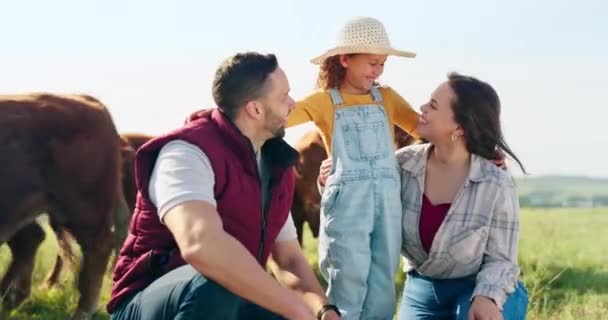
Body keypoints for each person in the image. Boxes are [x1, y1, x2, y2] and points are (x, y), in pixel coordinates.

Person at [107, 52, 340, 320]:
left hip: (229, 302)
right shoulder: (187, 153)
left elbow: (288, 261)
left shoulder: (276, 164)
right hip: (151, 305)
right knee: (215, 281)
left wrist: (323, 311)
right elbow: (200, 245)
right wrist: (296, 309)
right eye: (284, 96)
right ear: (255, 109)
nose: (292, 103)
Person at [318, 73, 529, 320]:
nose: (422, 108)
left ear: (459, 127)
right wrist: (337, 178)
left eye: (433, 105)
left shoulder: (496, 183)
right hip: (422, 289)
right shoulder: (400, 165)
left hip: (479, 287)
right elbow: (361, 204)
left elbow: (502, 260)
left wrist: (487, 296)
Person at [287, 16, 420, 319]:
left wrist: (477, 146)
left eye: (383, 64)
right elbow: (278, 118)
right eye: (372, 63)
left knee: (383, 277)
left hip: (387, 199)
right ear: (344, 59)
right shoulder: (323, 101)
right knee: (348, 274)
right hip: (348, 201)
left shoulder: (387, 97)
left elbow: (423, 129)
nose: (378, 71)